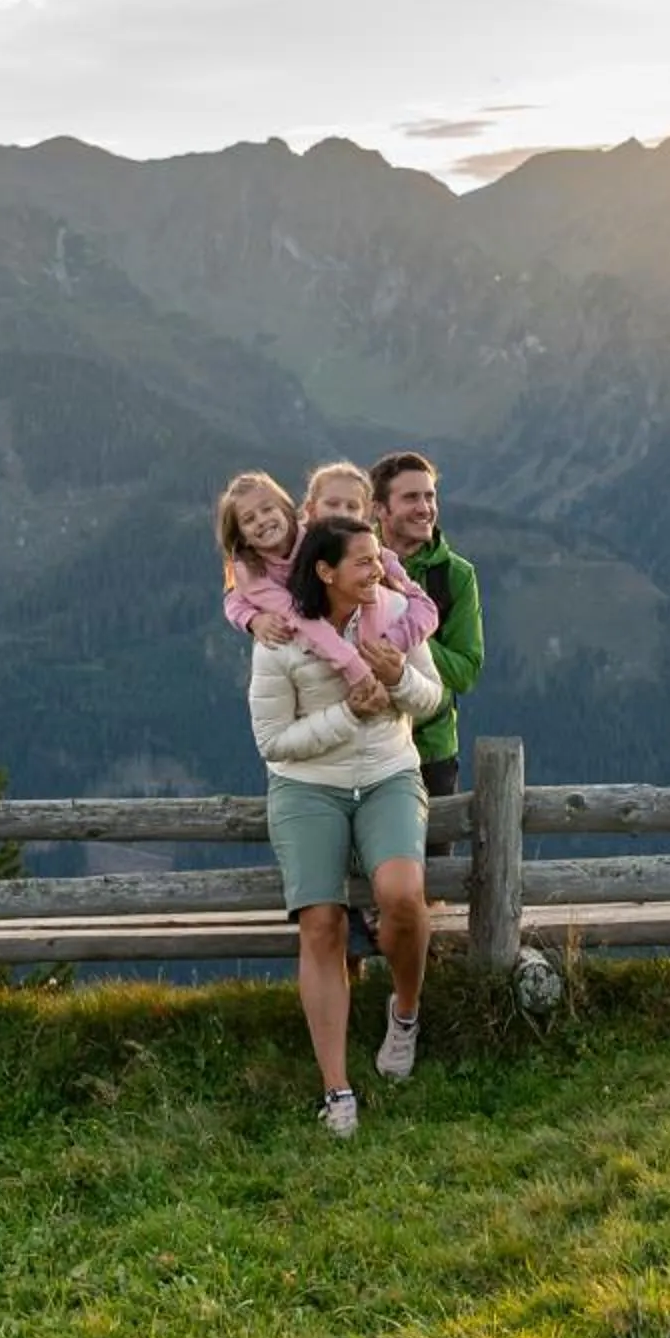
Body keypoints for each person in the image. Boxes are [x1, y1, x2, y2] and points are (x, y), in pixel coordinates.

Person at [248, 514, 444, 1136]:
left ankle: (405, 1015)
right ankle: (337, 1089)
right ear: (326, 571)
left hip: (389, 774)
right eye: (364, 560)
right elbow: (272, 742)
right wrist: (346, 718)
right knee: (321, 923)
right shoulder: (280, 637)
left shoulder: (393, 613)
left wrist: (397, 677)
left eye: (378, 558)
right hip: (309, 788)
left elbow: (431, 698)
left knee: (402, 897)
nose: (379, 567)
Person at [214, 470, 438, 690]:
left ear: (285, 509)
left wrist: (391, 643)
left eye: (267, 509)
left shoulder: (356, 549)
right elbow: (242, 599)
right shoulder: (252, 570)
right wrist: (253, 619)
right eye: (249, 519)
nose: (262, 521)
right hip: (320, 664)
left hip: (370, 660)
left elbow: (422, 603)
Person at [370, 451, 482, 802]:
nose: (425, 508)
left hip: (431, 753)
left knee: (436, 859)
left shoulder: (456, 576)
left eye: (430, 496)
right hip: (362, 748)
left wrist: (407, 631)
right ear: (379, 509)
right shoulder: (350, 561)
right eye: (410, 497)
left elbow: (466, 671)